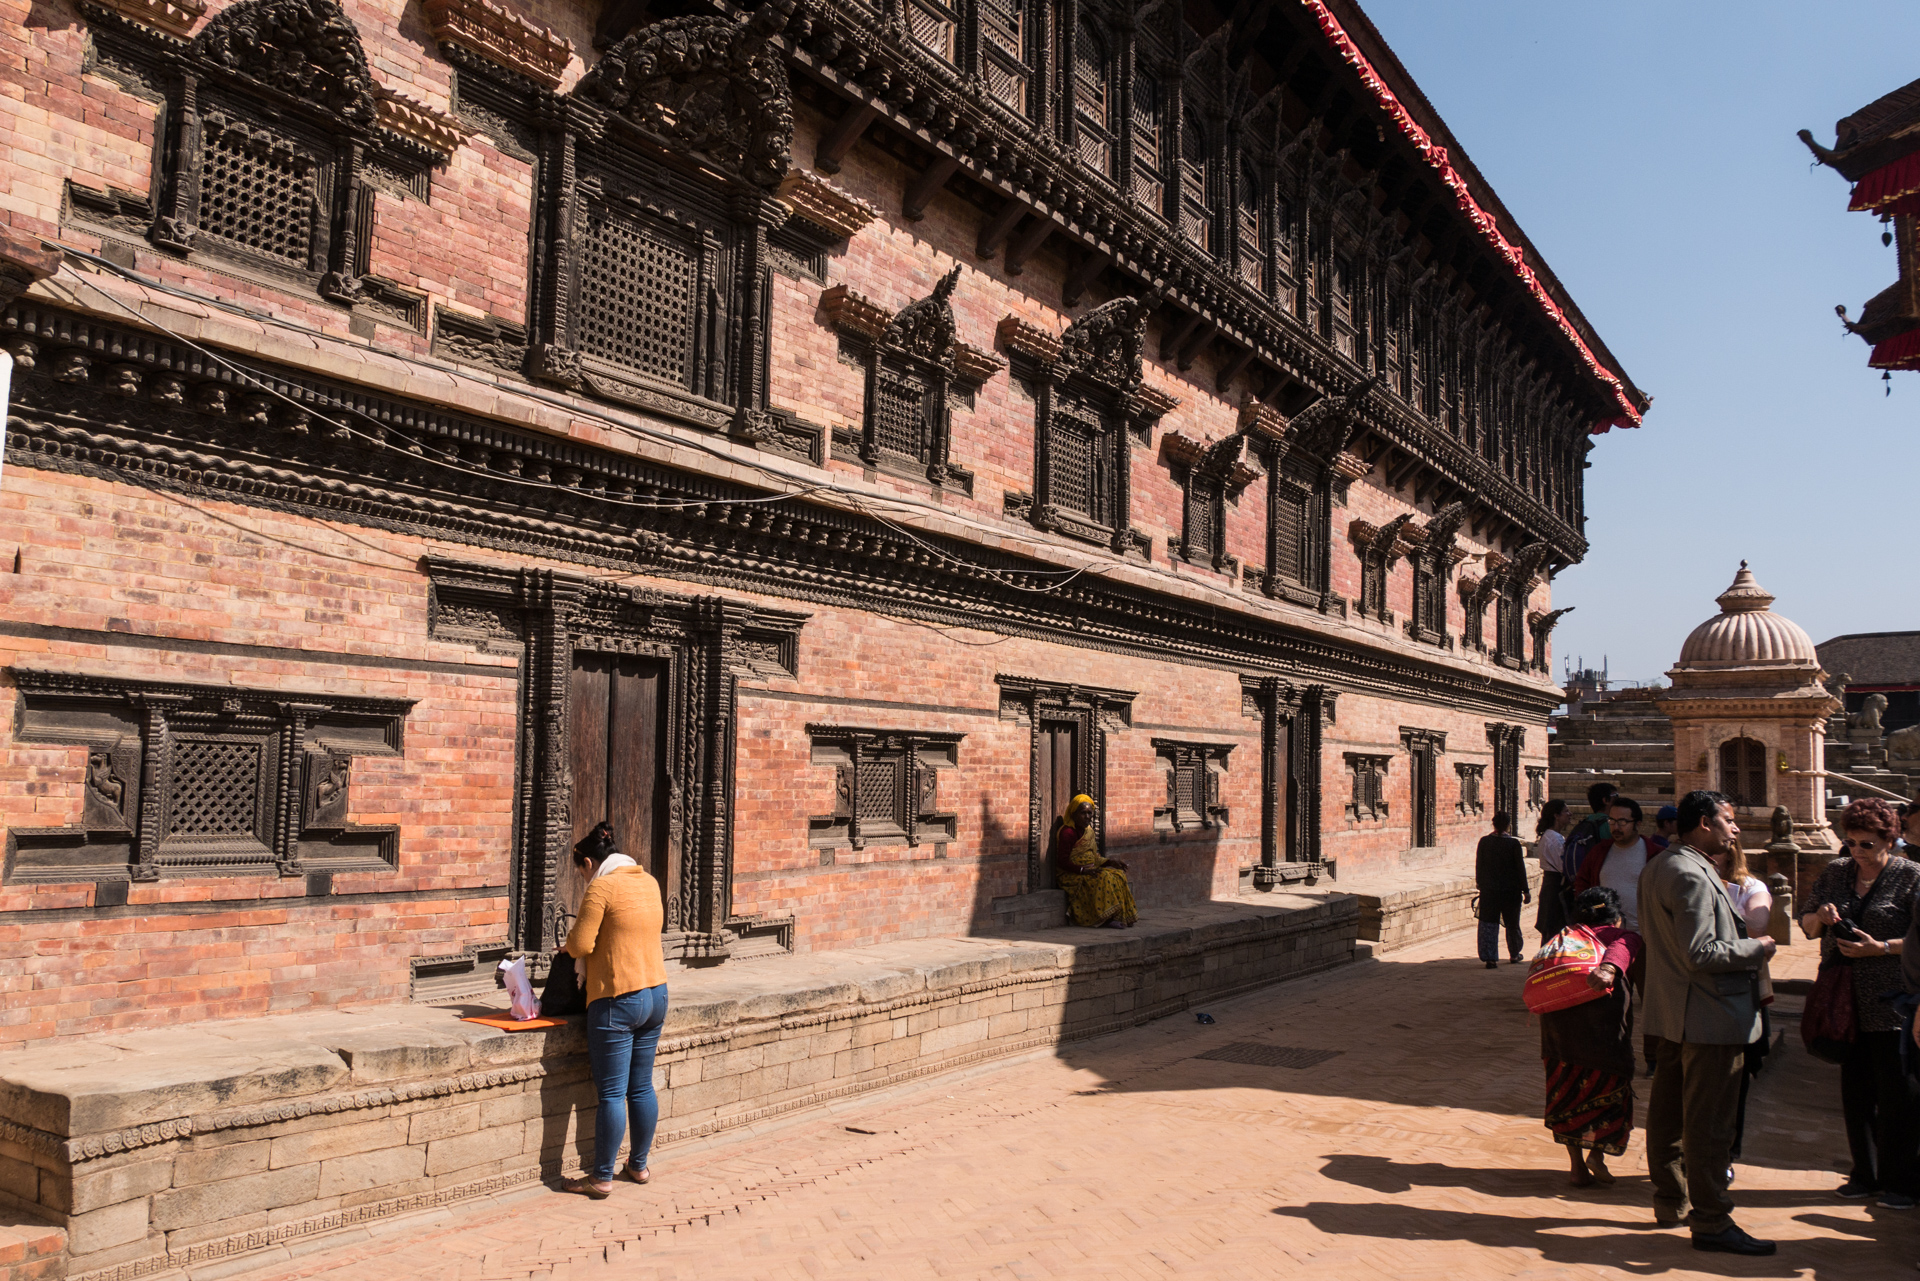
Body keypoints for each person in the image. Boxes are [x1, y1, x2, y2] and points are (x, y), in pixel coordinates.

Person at [1640, 790, 1776, 1255]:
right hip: (1710, 1016)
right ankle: (1713, 1219)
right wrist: (1758, 948)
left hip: (1675, 1013)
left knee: (1669, 1116)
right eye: (1728, 820)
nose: (1734, 829)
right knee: (1709, 1125)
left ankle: (1671, 1200)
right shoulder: (1690, 874)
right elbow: (1702, 952)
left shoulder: (1664, 864)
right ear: (1703, 823)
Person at [1803, 796, 1919, 1209]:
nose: (1857, 852)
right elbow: (1807, 924)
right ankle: (1864, 1174)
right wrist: (1821, 915)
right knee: (1855, 1092)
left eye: (1866, 844)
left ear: (1889, 839)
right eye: (1850, 842)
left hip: (1891, 1003)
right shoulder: (1836, 872)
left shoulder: (1911, 877)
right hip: (1843, 1000)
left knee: (1898, 1096)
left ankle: (1901, 1181)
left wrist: (1881, 948)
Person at [561, 822, 670, 1199]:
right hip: (656, 993)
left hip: (617, 998)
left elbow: (580, 943)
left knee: (611, 1093)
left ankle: (601, 1177)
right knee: (641, 1086)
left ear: (588, 862)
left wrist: (567, 949)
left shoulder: (602, 887)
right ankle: (638, 1166)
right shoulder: (649, 881)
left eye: (581, 873)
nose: (583, 879)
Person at [1542, 886, 1643, 1188]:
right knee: (1609, 1097)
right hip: (1604, 1039)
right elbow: (1621, 950)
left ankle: (1576, 1168)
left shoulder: (1561, 939)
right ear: (1616, 917)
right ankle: (1596, 1157)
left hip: (1559, 1037)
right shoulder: (1621, 936)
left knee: (1566, 1098)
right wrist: (1610, 968)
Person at [1713, 840, 1774, 1166]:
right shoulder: (1692, 881)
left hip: (1742, 989)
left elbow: (1757, 927)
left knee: (1737, 1075)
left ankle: (1729, 1149)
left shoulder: (1751, 887)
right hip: (1704, 990)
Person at [1571, 797, 1665, 931]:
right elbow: (1582, 882)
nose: (1616, 827)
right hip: (1605, 935)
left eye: (1622, 822)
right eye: (1612, 821)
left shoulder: (1655, 855)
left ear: (1638, 824)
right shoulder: (1599, 852)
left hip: (1644, 936)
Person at [1052, 794, 1137, 928]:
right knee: (1103, 878)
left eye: (1089, 813)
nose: (1087, 817)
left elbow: (1094, 858)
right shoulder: (1068, 832)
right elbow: (1062, 862)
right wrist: (1082, 871)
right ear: (1073, 814)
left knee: (1118, 875)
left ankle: (1123, 916)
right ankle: (1105, 919)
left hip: (1089, 869)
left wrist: (1110, 862)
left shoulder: (1088, 831)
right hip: (1071, 874)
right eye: (1083, 813)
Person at [1476, 811, 1530, 969]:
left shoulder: (1485, 842)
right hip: (1511, 891)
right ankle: (1514, 954)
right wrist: (1525, 890)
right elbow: (1520, 869)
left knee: (1489, 923)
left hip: (1489, 890)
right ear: (1508, 825)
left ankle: (1490, 958)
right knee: (1512, 923)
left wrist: (1480, 883)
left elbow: (1479, 865)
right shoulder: (1513, 844)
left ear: (1493, 824)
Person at [1534, 800, 1573, 940]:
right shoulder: (1555, 839)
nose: (1570, 814)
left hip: (1551, 886)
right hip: (1555, 887)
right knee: (1555, 931)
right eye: (1566, 811)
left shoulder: (1551, 837)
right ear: (1556, 816)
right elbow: (1563, 866)